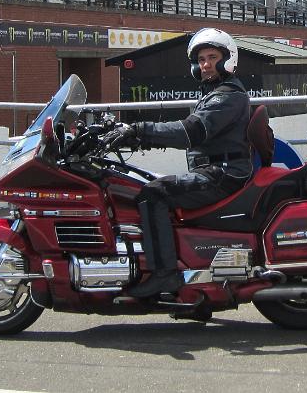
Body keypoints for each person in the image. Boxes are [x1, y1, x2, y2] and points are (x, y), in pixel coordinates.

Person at [102, 27, 252, 297]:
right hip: (216, 170)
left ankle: (164, 275)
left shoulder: (228, 95)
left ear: (227, 59)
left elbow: (191, 131)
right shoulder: (215, 92)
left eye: (212, 57)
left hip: (223, 174)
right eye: (201, 59)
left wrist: (138, 130)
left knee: (153, 193)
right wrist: (135, 137)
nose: (205, 64)